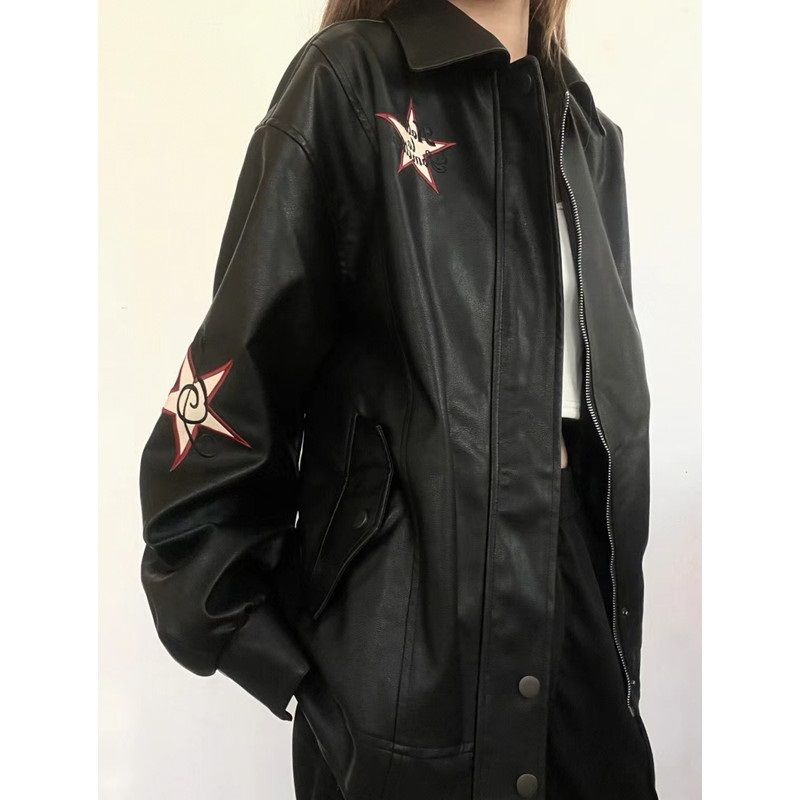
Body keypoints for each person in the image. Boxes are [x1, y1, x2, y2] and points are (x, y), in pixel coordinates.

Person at [138, 1, 657, 797]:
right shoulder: (350, 82)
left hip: (580, 657)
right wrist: (308, 682)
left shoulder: (587, 135)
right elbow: (218, 421)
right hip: (407, 686)